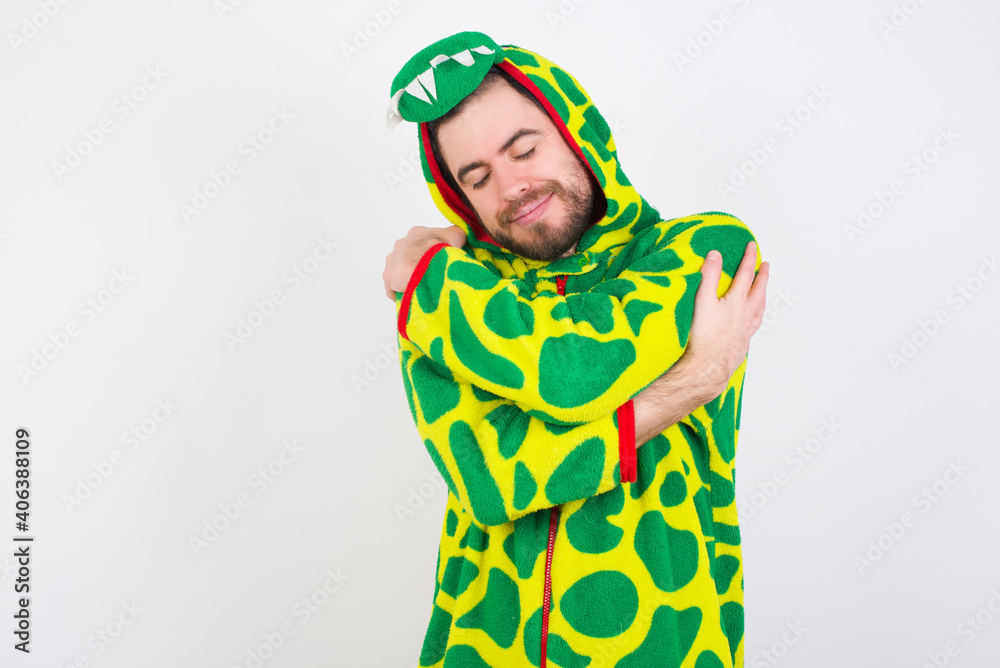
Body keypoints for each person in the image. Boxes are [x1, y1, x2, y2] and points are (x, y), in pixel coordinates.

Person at [382, 31, 769, 668]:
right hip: (483, 645)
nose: (511, 185)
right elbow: (493, 481)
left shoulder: (705, 250)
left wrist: (428, 284)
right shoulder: (450, 292)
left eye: (524, 149)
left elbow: (573, 371)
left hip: (668, 639)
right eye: (477, 178)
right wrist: (693, 381)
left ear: (577, 134)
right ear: (459, 200)